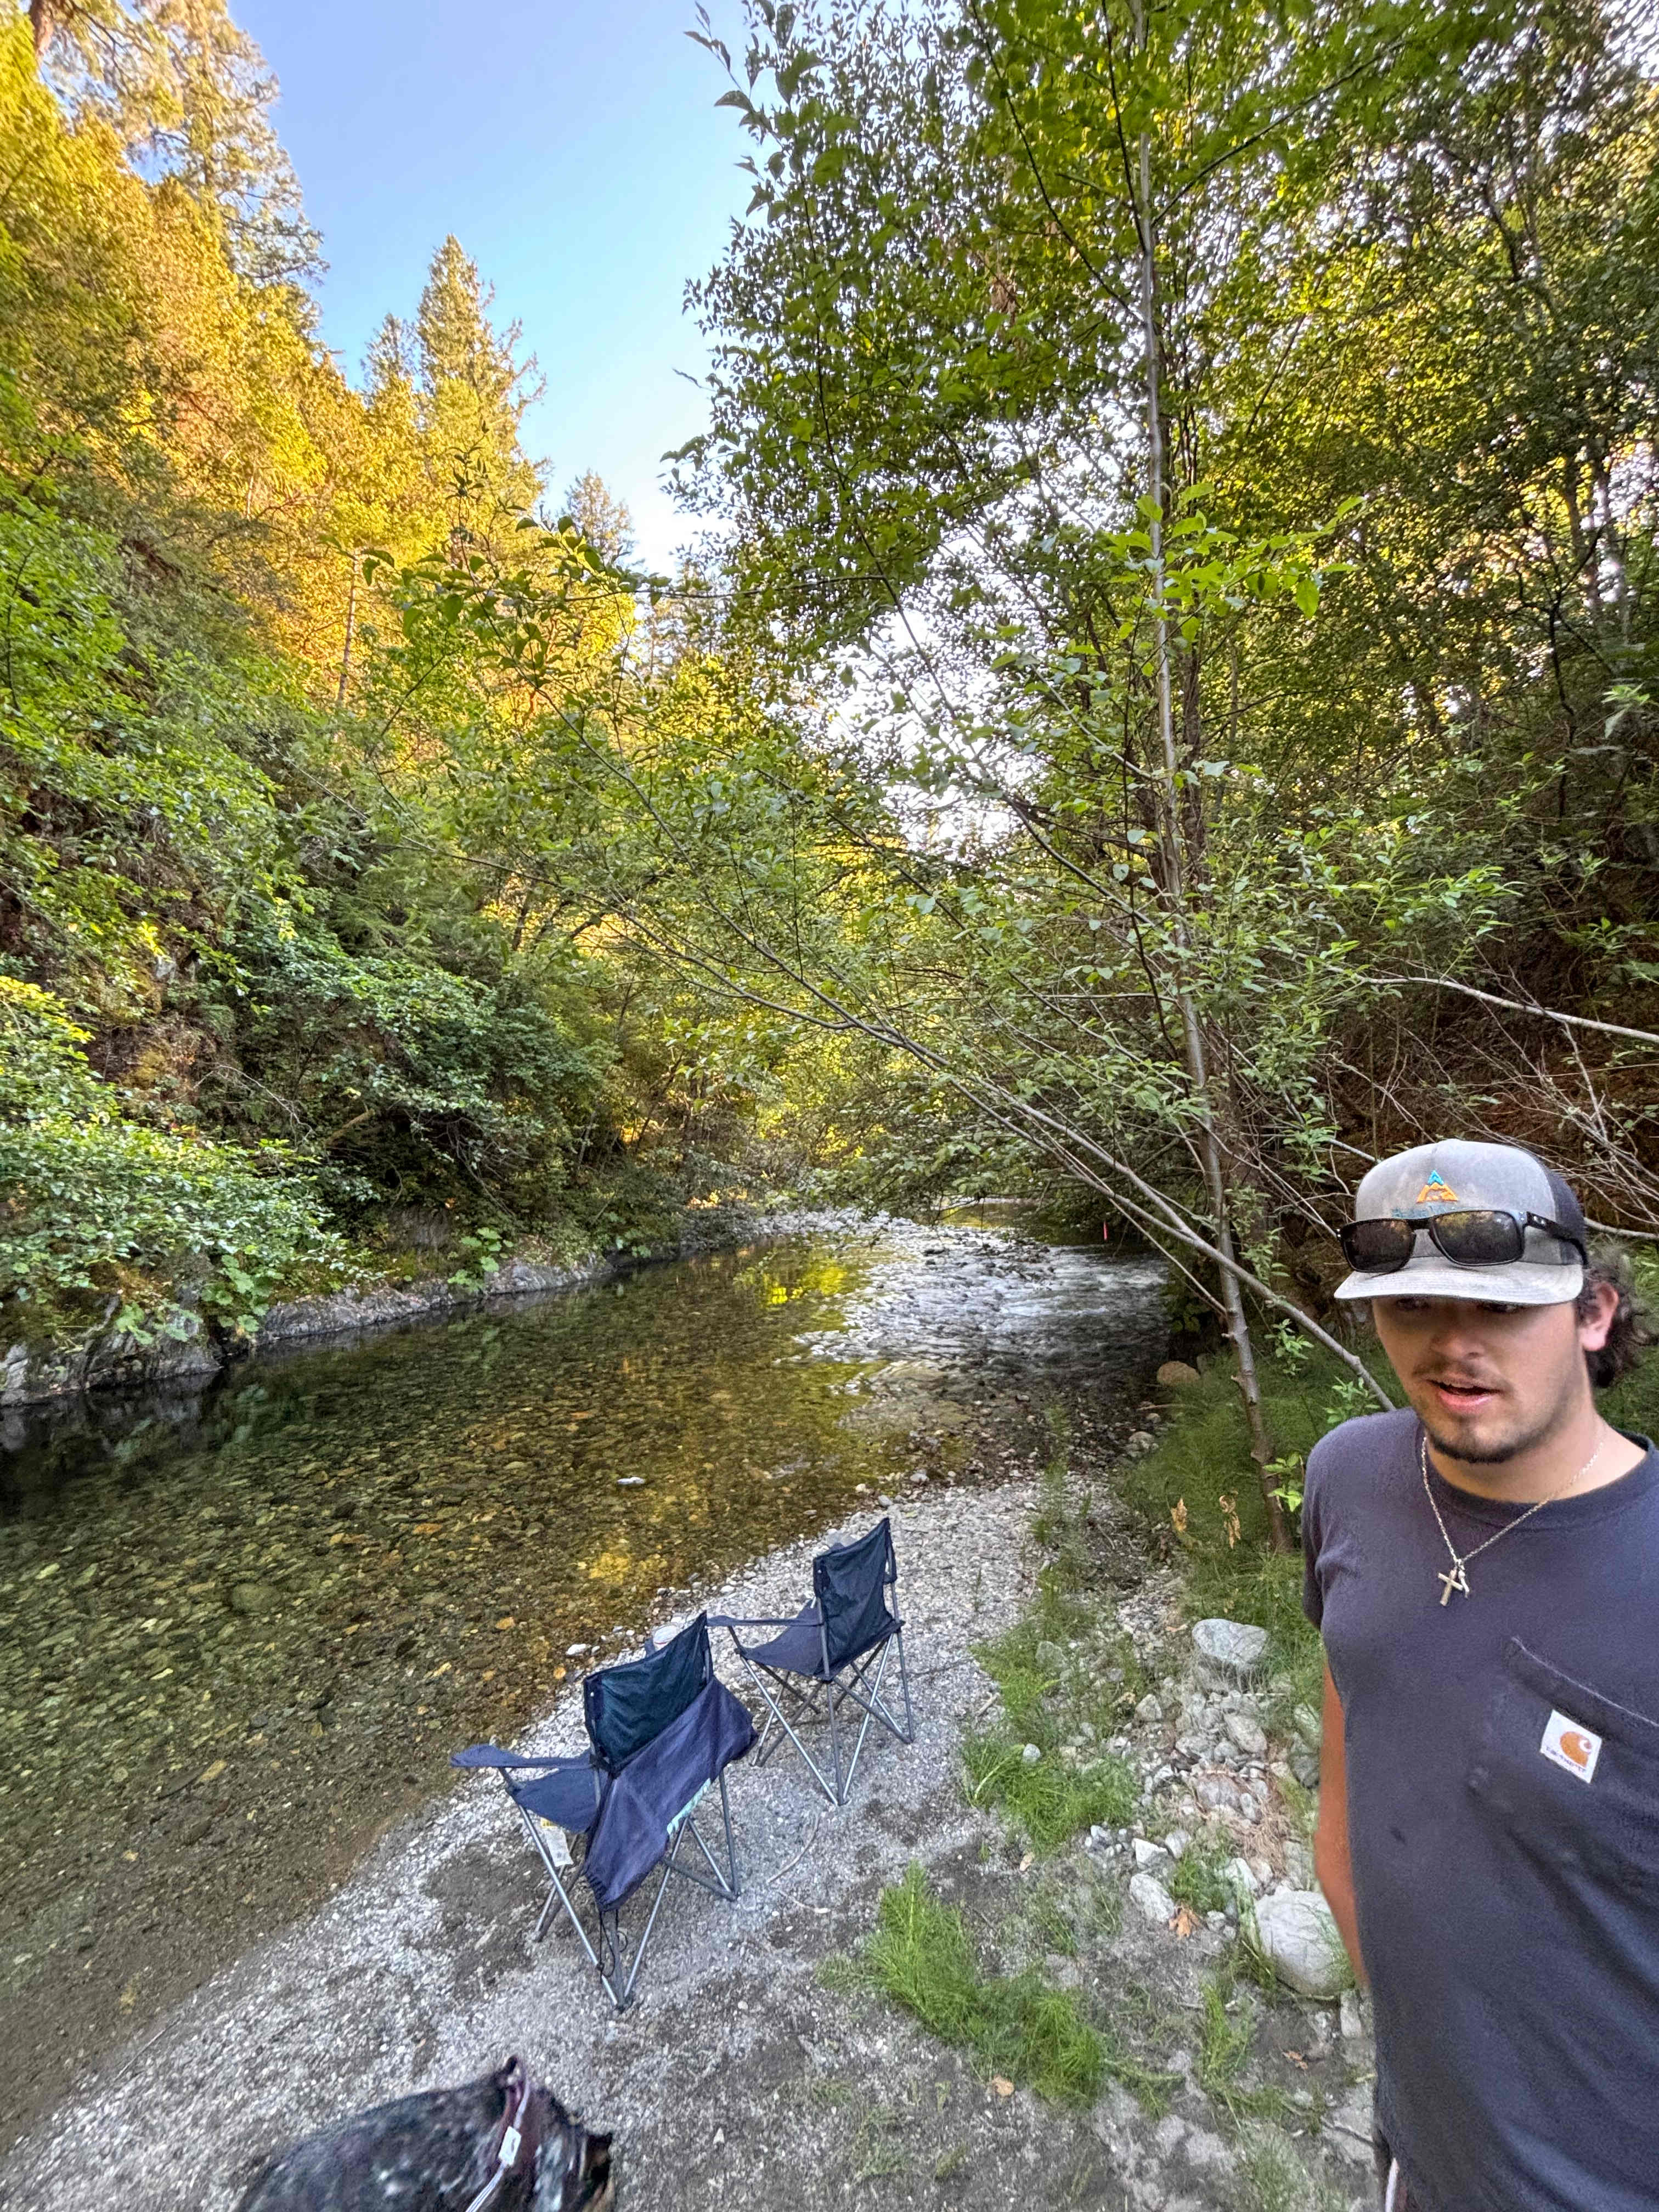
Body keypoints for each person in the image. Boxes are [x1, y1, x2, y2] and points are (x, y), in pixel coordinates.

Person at [1302, 1139, 1658, 2212]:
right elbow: (1349, 1784)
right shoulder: (1347, 1476)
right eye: (1412, 1309)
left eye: (1500, 1309)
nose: (1452, 1347)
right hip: (1419, 2153)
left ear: (1593, 1314)